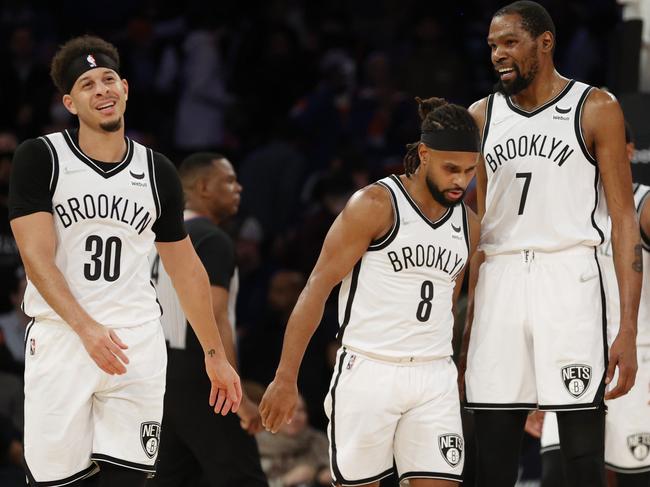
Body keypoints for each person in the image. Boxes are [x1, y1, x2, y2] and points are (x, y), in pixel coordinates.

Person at [8, 35, 241, 487]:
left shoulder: (157, 171)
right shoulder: (40, 158)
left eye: (109, 79)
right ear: (70, 102)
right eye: (88, 84)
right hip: (63, 340)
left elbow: (186, 267)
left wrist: (215, 353)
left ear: (126, 88)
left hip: (136, 341)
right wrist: (85, 327)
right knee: (56, 481)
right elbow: (36, 258)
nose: (102, 90)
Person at [461, 2, 643, 486]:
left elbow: (623, 220)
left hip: (569, 278)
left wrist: (626, 327)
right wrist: (469, 316)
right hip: (500, 279)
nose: (498, 54)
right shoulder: (481, 115)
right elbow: (479, 226)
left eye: (509, 43)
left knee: (582, 455)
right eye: (492, 45)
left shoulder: (596, 107)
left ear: (545, 42)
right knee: (493, 447)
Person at [260, 96, 481, 487]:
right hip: (370, 369)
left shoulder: (468, 222)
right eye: (451, 169)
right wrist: (285, 376)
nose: (461, 181)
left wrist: (460, 366)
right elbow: (316, 288)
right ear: (425, 154)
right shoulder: (377, 204)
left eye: (469, 171)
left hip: (433, 375)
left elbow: (450, 304)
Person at [537, 126, 650, 487]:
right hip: (570, 361)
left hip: (639, 361)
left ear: (629, 151)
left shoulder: (645, 205)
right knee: (560, 476)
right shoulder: (560, 209)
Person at [149, 152, 268, 487]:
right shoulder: (211, 238)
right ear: (203, 187)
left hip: (158, 370)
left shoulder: (155, 236)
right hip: (202, 370)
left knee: (171, 477)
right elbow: (215, 315)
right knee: (243, 478)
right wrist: (240, 399)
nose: (238, 188)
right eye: (228, 181)